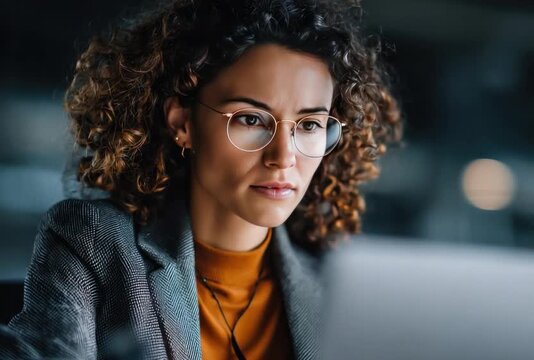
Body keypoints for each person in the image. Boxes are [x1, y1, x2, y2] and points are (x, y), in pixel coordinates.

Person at [0, 0, 402, 358]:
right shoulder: (94, 243)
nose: (284, 157)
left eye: (310, 124)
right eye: (250, 119)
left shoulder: (341, 285)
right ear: (183, 123)